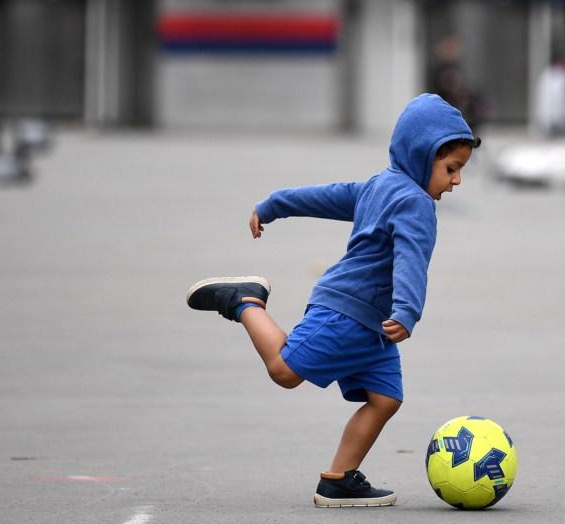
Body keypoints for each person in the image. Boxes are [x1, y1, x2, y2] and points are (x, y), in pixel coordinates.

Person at [185, 94, 480, 507]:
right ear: (420, 155)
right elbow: (411, 258)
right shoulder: (415, 204)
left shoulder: (379, 185)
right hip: (345, 310)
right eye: (451, 169)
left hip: (372, 326)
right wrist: (409, 311)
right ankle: (245, 301)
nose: (456, 181)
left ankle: (338, 479)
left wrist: (275, 204)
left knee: (385, 399)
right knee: (285, 370)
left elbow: (327, 195)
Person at [534, 57, 565, 137]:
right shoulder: (556, 75)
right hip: (553, 110)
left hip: (557, 110)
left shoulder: (550, 75)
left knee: (557, 119)